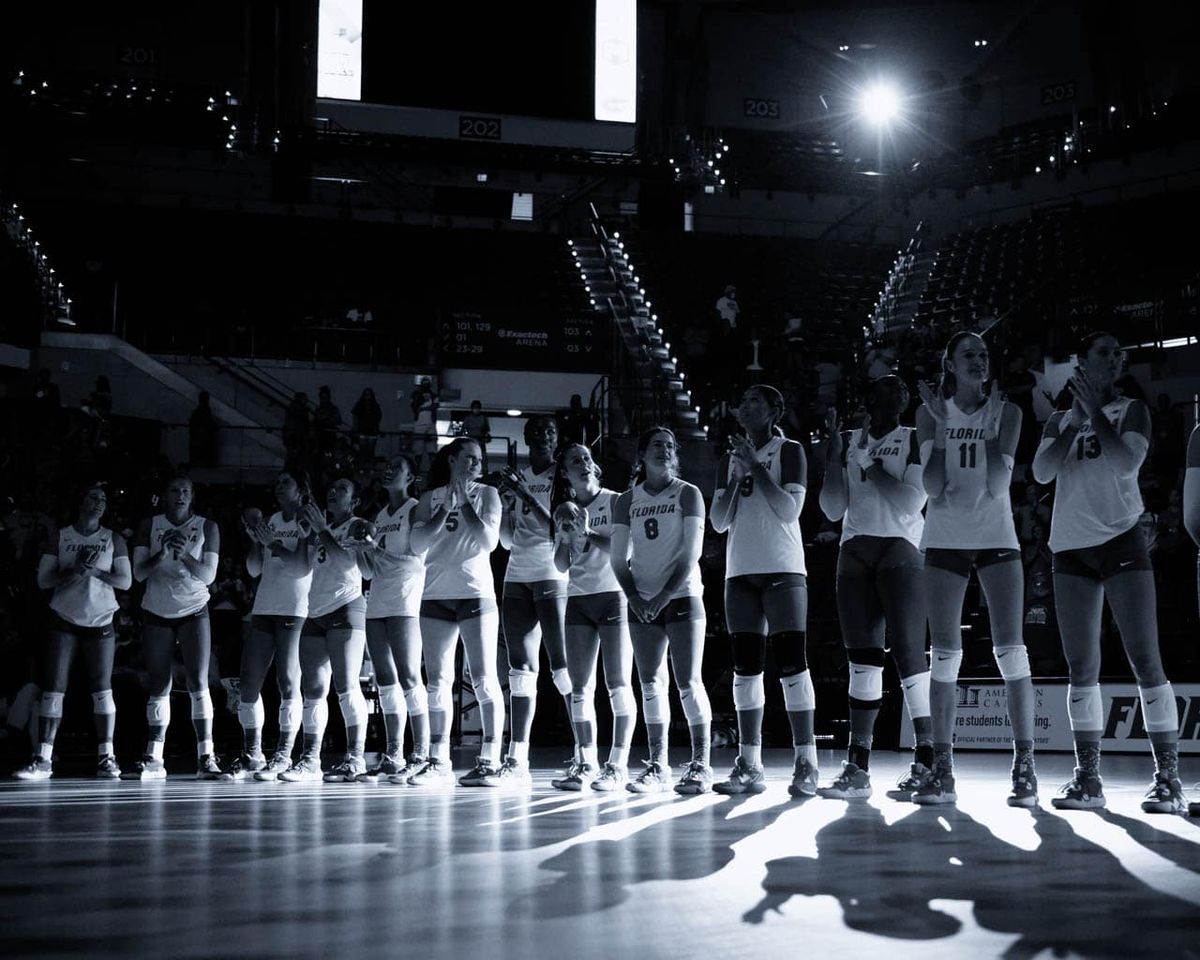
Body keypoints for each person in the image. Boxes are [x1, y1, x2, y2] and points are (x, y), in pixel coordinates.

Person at [1033, 331, 1186, 813]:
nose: (1117, 356)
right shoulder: (1059, 419)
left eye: (1120, 352)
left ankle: (1169, 780)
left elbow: (1125, 463)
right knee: (1081, 668)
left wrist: (1094, 416)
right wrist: (1072, 423)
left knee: (1145, 658)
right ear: (1084, 362)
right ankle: (1088, 778)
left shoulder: (1132, 410)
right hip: (1071, 550)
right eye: (1106, 351)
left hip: (1120, 538)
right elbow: (1041, 473)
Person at [913, 330, 1038, 807]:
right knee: (943, 655)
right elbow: (934, 489)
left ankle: (1023, 765)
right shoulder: (928, 413)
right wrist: (943, 430)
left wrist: (986, 434)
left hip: (995, 536)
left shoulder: (1008, 412)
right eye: (968, 354)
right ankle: (943, 770)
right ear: (949, 363)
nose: (979, 361)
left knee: (1012, 653)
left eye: (984, 354)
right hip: (944, 539)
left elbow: (998, 485)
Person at [816, 376, 931, 800]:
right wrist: (833, 458)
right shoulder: (847, 440)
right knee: (862, 661)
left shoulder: (915, 437)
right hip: (854, 550)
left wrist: (868, 465)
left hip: (901, 548)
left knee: (908, 654)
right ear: (867, 400)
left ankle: (926, 760)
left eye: (901, 394)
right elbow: (831, 509)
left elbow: (909, 502)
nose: (895, 401)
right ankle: (857, 768)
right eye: (884, 394)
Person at [709, 385, 818, 797]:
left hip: (783, 568)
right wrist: (739, 477)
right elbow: (719, 522)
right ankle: (749, 764)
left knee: (792, 663)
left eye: (756, 399)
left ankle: (806, 762)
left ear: (775, 409)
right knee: (745, 668)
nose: (746, 404)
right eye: (744, 399)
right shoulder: (727, 461)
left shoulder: (789, 450)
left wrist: (756, 466)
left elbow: (790, 510)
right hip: (740, 573)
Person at [610, 427, 712, 794]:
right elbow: (617, 558)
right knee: (651, 683)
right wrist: (635, 597)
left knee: (687, 682)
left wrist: (663, 596)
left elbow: (691, 553)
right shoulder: (625, 500)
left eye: (670, 446)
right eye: (657, 444)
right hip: (641, 599)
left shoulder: (688, 493)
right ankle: (658, 765)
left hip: (681, 596)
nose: (665, 450)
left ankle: (701, 765)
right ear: (641, 454)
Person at [16, 482, 132, 780]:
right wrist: (76, 571)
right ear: (80, 502)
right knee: (54, 687)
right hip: (63, 619)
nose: (99, 502)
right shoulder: (61, 536)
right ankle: (42, 758)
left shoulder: (113, 539)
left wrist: (94, 572)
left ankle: (107, 757)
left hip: (101, 619)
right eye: (93, 497)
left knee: (102, 689)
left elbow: (125, 582)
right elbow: (44, 581)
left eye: (104, 499)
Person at [406, 438, 503, 787]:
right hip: (434, 595)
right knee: (438, 682)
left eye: (479, 459)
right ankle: (438, 758)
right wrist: (445, 508)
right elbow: (416, 546)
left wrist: (463, 504)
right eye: (468, 458)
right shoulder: (427, 499)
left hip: (475, 593)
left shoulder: (488, 494)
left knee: (483, 679)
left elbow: (489, 542)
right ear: (451, 460)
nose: (475, 465)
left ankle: (490, 759)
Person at [550, 443, 635, 791]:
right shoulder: (564, 509)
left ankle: (617, 765)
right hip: (579, 600)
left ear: (595, 467)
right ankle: (586, 762)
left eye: (587, 459)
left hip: (613, 596)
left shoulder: (615, 501)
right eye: (575, 461)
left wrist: (586, 533)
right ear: (565, 473)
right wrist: (566, 539)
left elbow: (625, 550)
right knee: (580, 688)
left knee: (617, 684)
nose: (583, 464)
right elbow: (560, 565)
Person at [496, 416, 575, 787]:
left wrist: (524, 494)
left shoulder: (564, 475)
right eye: (536, 431)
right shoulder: (518, 476)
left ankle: (583, 754)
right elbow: (507, 541)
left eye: (549, 432)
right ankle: (517, 758)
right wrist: (508, 505)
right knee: (519, 668)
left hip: (552, 571)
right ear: (525, 437)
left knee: (561, 667)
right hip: (516, 573)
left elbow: (559, 529)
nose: (542, 436)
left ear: (557, 440)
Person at [280, 477, 375, 782]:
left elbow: (351, 566)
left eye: (342, 489)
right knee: (314, 689)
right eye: (332, 488)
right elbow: (302, 569)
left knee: (346, 686)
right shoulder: (321, 529)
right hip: (315, 610)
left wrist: (321, 530)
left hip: (346, 607)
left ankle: (356, 758)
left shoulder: (360, 525)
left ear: (354, 501)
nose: (333, 492)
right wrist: (306, 537)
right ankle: (310, 760)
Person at [222, 470, 314, 781]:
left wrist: (273, 545)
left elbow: (302, 567)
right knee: (249, 684)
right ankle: (252, 754)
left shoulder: (308, 519)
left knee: (288, 682)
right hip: (264, 606)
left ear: (300, 490)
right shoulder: (272, 520)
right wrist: (254, 543)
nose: (278, 487)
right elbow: (253, 569)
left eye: (286, 482)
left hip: (295, 607)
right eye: (276, 482)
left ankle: (284, 755)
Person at [129, 473, 221, 779]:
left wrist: (183, 557)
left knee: (198, 682)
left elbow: (208, 576)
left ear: (192, 495)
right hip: (157, 610)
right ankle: (154, 757)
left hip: (194, 609)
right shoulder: (149, 525)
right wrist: (163, 554)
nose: (179, 495)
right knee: (160, 683)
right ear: (165, 495)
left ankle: (206, 756)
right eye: (174, 490)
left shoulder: (207, 526)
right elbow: (139, 575)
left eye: (185, 490)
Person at [361, 455, 429, 783]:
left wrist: (376, 548)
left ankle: (421, 753)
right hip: (377, 601)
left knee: (409, 677)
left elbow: (416, 562)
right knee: (384, 681)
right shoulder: (379, 515)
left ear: (411, 477)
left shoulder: (416, 508)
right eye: (387, 466)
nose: (388, 469)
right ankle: (392, 754)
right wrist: (361, 550)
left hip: (405, 600)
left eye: (397, 467)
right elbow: (368, 570)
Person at [351, 388, 383, 460]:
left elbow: (378, 417)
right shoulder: (360, 405)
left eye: (369, 395)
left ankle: (369, 466)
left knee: (370, 451)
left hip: (372, 433)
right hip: (362, 432)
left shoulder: (375, 406)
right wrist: (355, 428)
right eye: (366, 395)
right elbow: (354, 415)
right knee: (363, 451)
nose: (368, 397)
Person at [188, 392, 218, 468]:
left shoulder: (196, 412)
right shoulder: (206, 412)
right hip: (205, 441)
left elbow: (192, 428)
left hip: (197, 441)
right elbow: (211, 425)